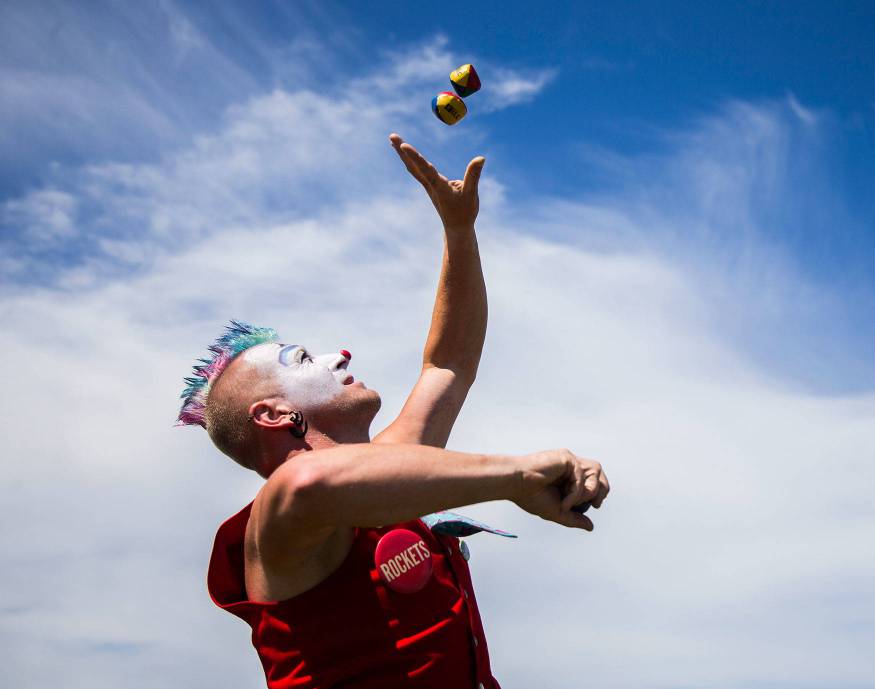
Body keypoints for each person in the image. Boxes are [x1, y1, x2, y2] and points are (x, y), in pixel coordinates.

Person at [177, 133, 611, 689]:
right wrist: (516, 476)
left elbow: (447, 365)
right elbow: (311, 481)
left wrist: (459, 232)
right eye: (304, 359)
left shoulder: (391, 466)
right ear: (274, 415)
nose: (341, 353)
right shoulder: (282, 514)